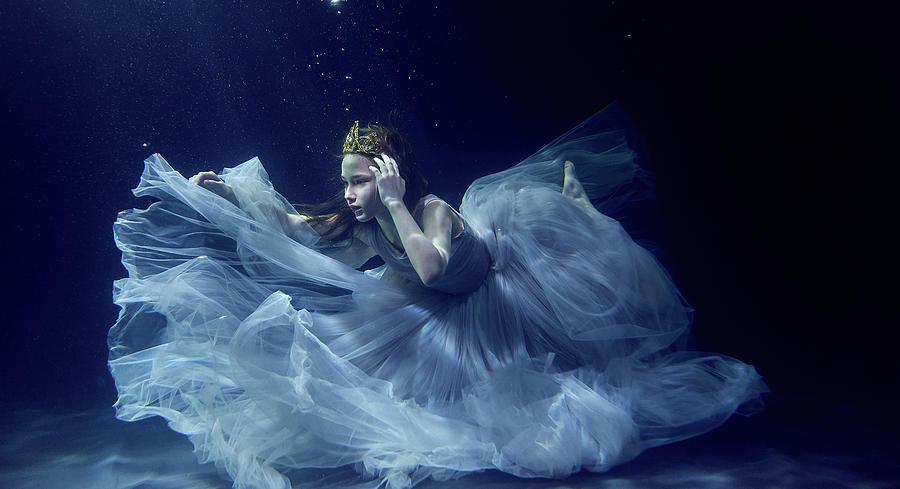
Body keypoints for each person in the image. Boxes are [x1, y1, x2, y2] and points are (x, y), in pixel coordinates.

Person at [109, 105, 767, 489]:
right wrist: (225, 195)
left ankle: (580, 210)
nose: (350, 194)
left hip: (501, 284)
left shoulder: (431, 207)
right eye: (349, 182)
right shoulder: (364, 218)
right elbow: (292, 226)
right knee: (383, 377)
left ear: (390, 177)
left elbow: (429, 268)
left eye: (360, 181)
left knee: (592, 271)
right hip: (445, 309)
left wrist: (393, 202)